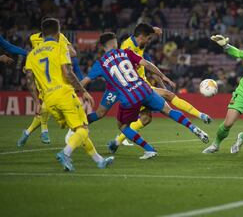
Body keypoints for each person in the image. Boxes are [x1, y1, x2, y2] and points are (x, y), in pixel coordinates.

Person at [81, 32, 209, 159]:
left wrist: (78, 90)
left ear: (102, 46)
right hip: (145, 89)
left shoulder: (100, 63)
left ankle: (149, 149)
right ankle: (194, 128)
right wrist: (163, 76)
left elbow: (85, 81)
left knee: (123, 126)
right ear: (114, 42)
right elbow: (147, 64)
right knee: (168, 110)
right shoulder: (126, 52)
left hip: (129, 97)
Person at [24, 18, 113, 171]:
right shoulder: (60, 47)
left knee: (77, 129)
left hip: (49, 100)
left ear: (42, 33)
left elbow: (29, 80)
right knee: (83, 128)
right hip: (64, 94)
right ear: (58, 33)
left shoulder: (32, 54)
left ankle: (99, 161)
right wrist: (83, 91)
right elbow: (68, 72)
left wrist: (37, 102)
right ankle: (65, 153)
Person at [17, 17, 84, 147]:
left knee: (45, 105)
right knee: (46, 105)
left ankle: (33, 131)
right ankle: (44, 131)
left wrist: (60, 47)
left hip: (54, 74)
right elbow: (33, 54)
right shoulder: (33, 38)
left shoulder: (60, 37)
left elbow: (73, 53)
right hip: (41, 76)